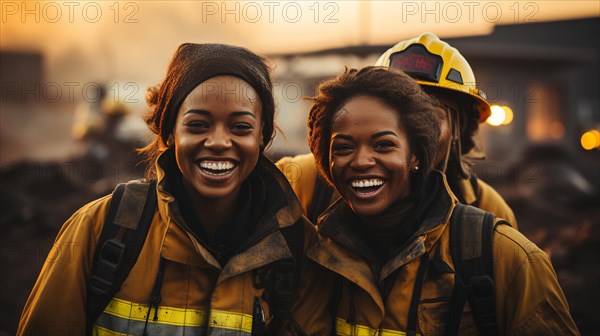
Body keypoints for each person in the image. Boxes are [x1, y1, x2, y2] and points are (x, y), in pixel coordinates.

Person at [18, 43, 330, 336]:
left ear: (262, 137)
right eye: (197, 125)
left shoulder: (299, 249)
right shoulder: (99, 229)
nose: (219, 142)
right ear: (170, 131)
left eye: (240, 127)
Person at [305, 66, 579, 334]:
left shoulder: (506, 255)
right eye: (343, 147)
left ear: (417, 153)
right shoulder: (317, 249)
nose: (362, 161)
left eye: (383, 145)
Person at [277, 33, 517, 228]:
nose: (412, 134)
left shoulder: (488, 211)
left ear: (458, 128)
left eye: (431, 118)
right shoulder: (302, 181)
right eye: (393, 118)